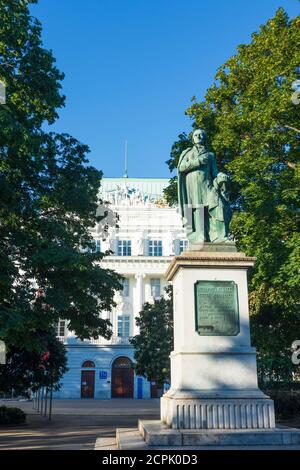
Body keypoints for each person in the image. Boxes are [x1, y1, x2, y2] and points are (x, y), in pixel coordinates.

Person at [177, 128, 231, 243]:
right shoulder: (188, 153)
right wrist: (199, 161)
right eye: (196, 135)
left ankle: (221, 237)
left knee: (219, 205)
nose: (199, 136)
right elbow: (181, 168)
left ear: (204, 137)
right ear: (193, 138)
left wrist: (221, 175)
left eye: (201, 135)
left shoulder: (210, 155)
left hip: (207, 185)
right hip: (193, 186)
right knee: (198, 208)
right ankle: (201, 237)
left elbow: (214, 172)